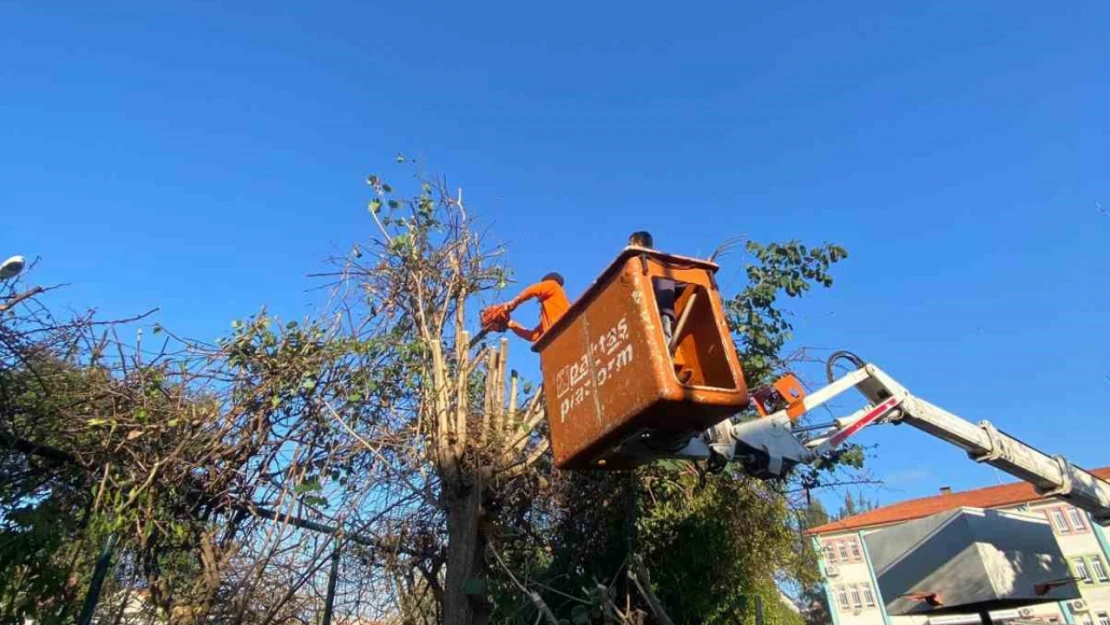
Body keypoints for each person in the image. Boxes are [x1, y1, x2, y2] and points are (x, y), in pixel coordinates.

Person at [486, 272, 570, 343]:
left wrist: (514, 302)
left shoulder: (553, 285)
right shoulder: (548, 318)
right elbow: (533, 337)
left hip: (562, 336)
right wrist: (510, 323)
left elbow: (534, 290)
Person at [627, 231, 677, 345]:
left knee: (663, 338)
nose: (629, 246)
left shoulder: (654, 262)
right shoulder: (656, 262)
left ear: (638, 243)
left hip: (660, 311)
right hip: (653, 310)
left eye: (631, 243)